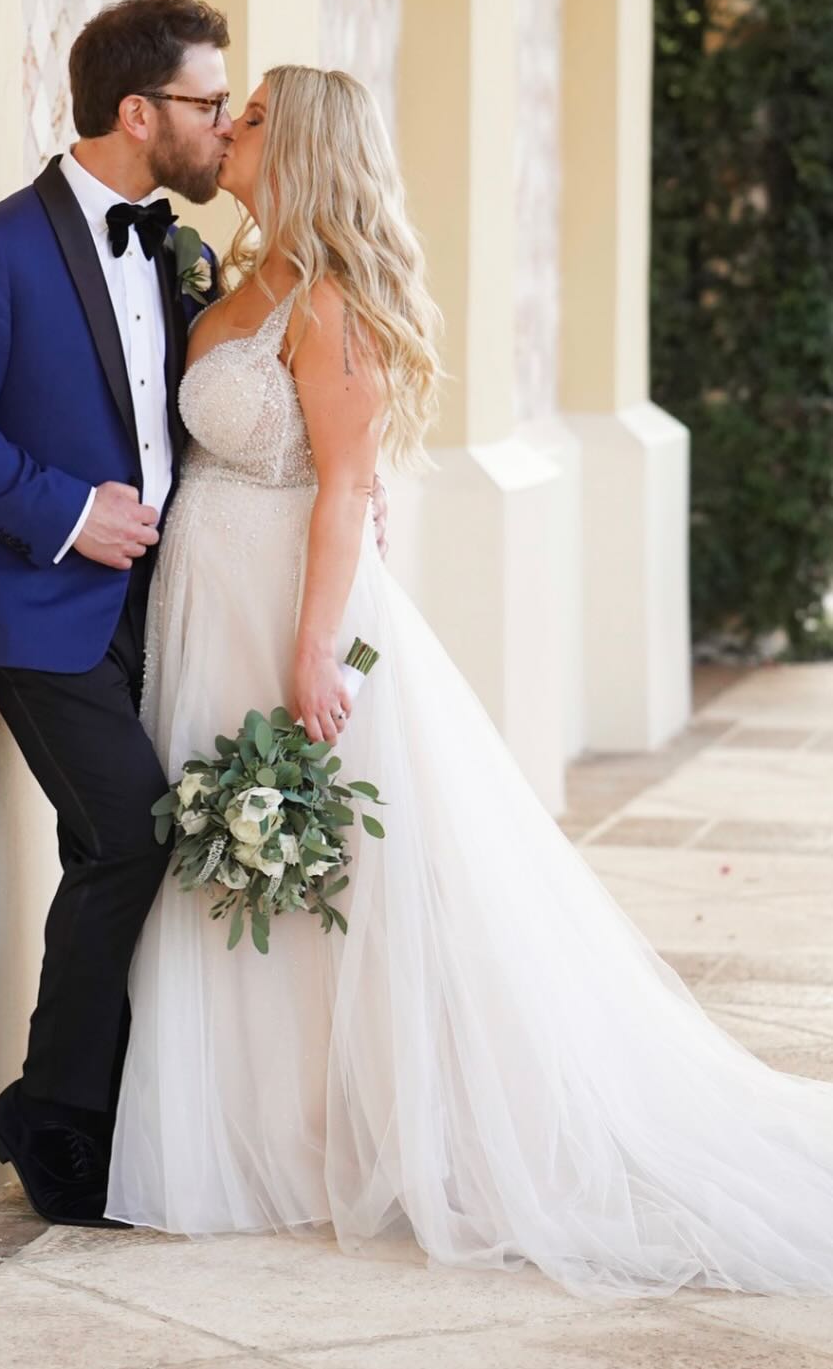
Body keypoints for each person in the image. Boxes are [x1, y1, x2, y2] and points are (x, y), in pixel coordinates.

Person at [104, 63, 833, 1301]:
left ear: (304, 146)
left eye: (255, 115)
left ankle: (358, 1131)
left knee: (325, 865)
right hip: (206, 603)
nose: (229, 128)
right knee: (237, 866)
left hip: (287, 610)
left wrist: (315, 650)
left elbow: (346, 485)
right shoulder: (235, 273)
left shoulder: (330, 299)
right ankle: (266, 1130)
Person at [0, 0, 390, 1228]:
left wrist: (347, 491)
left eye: (234, 109)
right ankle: (53, 1117)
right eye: (210, 103)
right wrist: (67, 512)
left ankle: (126, 1114)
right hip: (39, 605)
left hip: (174, 610)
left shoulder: (187, 254)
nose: (225, 126)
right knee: (130, 834)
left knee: (140, 852)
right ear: (136, 112)